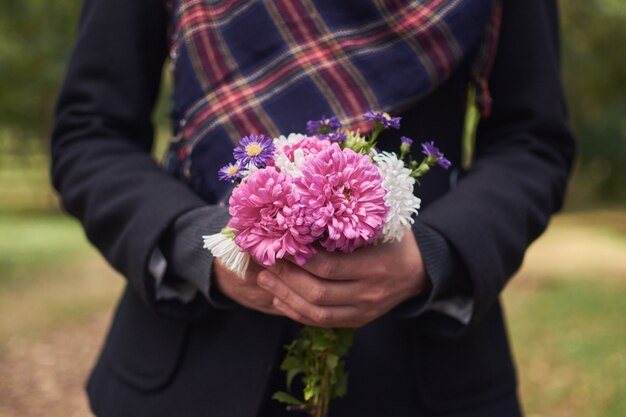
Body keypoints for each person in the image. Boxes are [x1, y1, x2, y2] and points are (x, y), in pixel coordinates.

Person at [51, 0, 575, 416]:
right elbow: (90, 134)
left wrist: (433, 258)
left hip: (423, 374)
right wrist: (203, 246)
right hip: (189, 371)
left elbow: (532, 141)